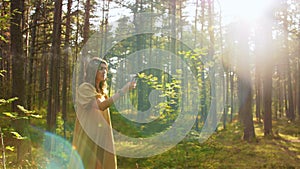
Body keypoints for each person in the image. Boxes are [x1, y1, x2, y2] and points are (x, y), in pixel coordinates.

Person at [70, 57, 136, 169]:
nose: (104, 71)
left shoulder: (102, 92)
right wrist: (123, 90)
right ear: (92, 70)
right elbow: (102, 106)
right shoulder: (85, 88)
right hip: (88, 138)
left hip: (101, 138)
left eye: (106, 69)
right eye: (100, 68)